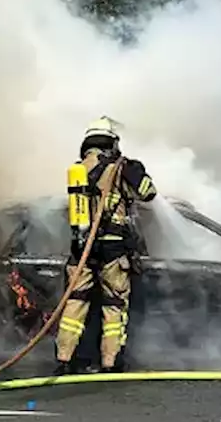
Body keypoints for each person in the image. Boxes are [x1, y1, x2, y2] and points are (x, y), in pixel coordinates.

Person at [55, 116, 158, 374]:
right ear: (112, 142)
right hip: (113, 248)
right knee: (114, 305)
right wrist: (136, 171)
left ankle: (64, 359)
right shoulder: (122, 167)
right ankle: (111, 363)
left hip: (81, 249)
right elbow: (149, 192)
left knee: (75, 303)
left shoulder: (78, 170)